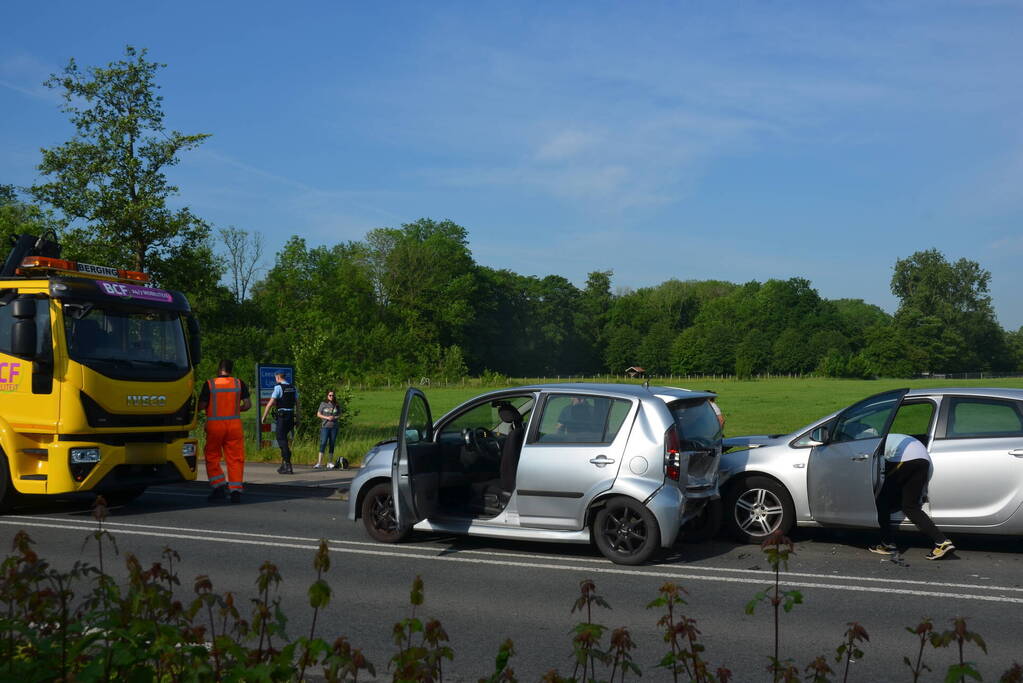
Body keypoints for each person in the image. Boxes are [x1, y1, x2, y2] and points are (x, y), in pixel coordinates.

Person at [869, 433, 955, 560]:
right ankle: (942, 542)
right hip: (923, 460)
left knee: (882, 502)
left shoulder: (871, 443)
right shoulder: (889, 437)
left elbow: (879, 466)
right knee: (910, 506)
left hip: (906, 459)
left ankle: (887, 544)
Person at [198, 359, 251, 504]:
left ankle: (219, 487)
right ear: (231, 369)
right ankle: (235, 491)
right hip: (234, 426)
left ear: (219, 369)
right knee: (235, 458)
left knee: (212, 455)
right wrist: (234, 409)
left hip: (215, 426)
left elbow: (202, 405)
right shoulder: (239, 383)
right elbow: (247, 405)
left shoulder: (210, 384)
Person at [261, 371, 298, 474]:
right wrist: (298, 418)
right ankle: (284, 465)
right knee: (284, 440)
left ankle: (288, 465)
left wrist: (264, 416)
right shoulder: (293, 387)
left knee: (281, 440)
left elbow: (270, 404)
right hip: (291, 417)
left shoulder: (278, 388)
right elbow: (298, 404)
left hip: (282, 417)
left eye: (275, 378)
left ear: (277, 377)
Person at [314, 388, 341, 470]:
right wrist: (327, 417)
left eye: (333, 395)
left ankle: (329, 462)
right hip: (325, 427)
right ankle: (319, 463)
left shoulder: (337, 404)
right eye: (330, 395)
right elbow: (318, 414)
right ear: (327, 396)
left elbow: (340, 414)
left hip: (334, 427)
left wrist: (334, 417)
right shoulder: (323, 404)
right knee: (323, 443)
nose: (331, 396)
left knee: (332, 444)